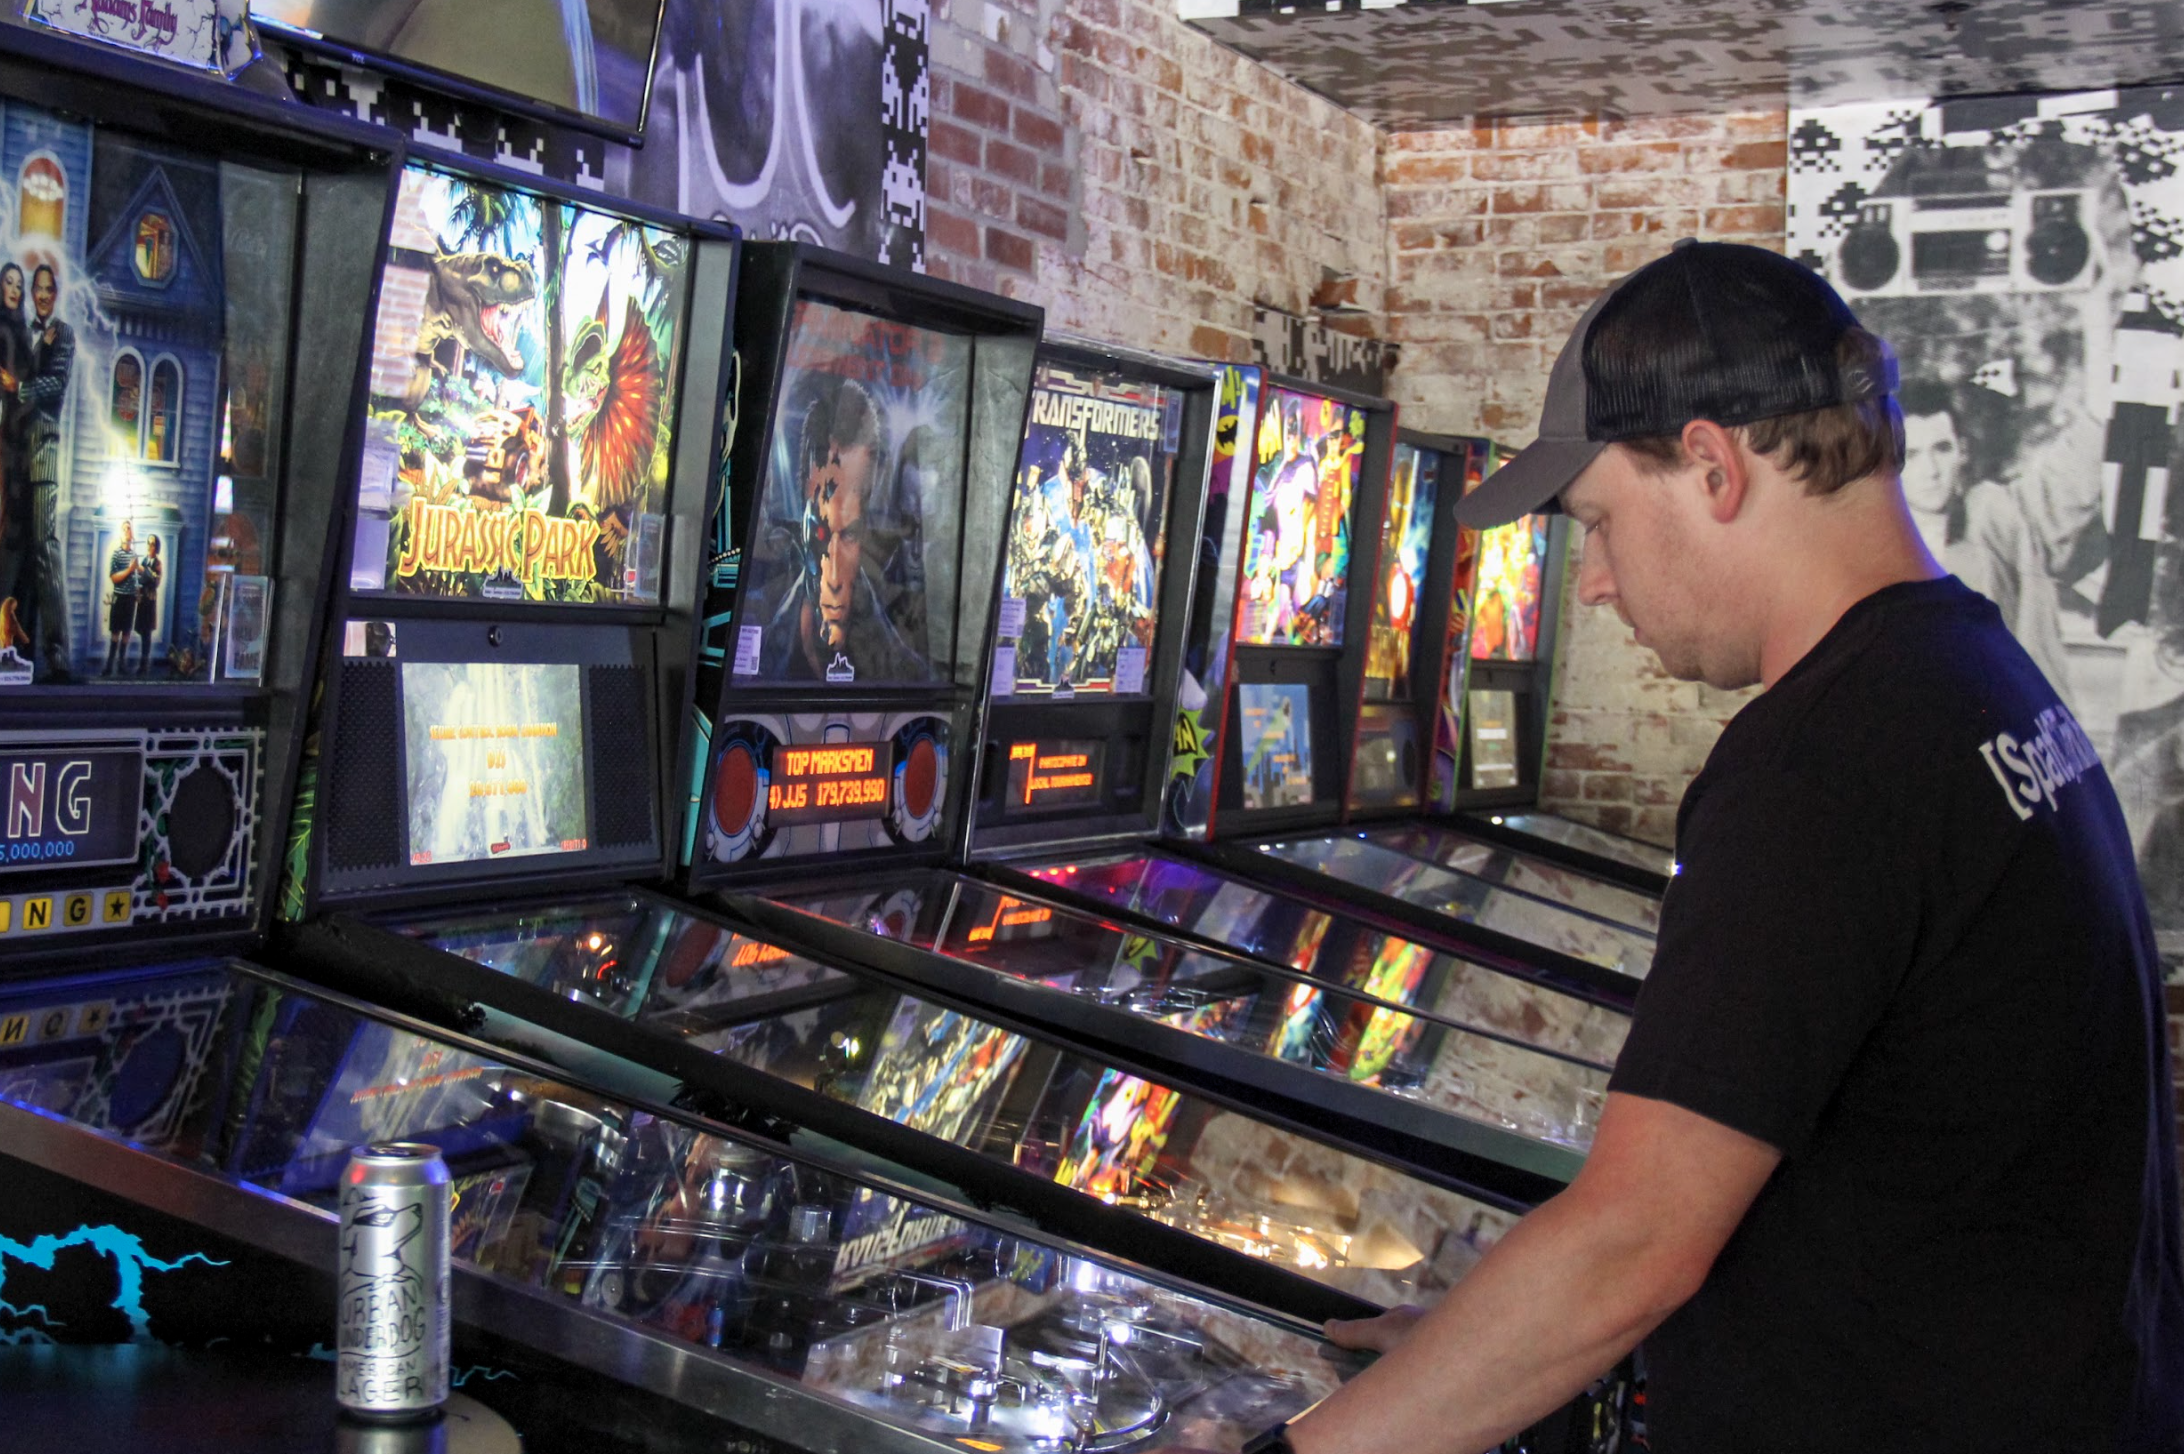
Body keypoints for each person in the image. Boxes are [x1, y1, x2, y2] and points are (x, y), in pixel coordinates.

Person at [1245, 242, 2184, 1454]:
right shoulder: (1972, 681)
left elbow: (1635, 1243)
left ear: (1709, 465)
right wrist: (1481, 1338)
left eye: (1595, 522)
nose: (1591, 586)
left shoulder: (1825, 760)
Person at [1896, 378, 2073, 695]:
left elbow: (2065, 491)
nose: (1931, 470)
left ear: (1962, 452)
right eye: (1912, 455)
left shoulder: (1991, 517)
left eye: (1942, 449)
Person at [757, 375, 927, 683]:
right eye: (820, 533)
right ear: (802, 527)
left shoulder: (906, 669)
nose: (832, 576)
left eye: (848, 535)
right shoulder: (758, 638)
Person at [18, 261, 74, 678]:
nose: (40, 295)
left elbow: (54, 385)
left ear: (55, 293)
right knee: (18, 555)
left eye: (46, 289)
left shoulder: (64, 335)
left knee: (45, 549)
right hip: (15, 454)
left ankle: (56, 656)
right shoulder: (27, 334)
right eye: (35, 288)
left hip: (44, 453)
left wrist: (18, 387)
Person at [102, 519, 139, 676]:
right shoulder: (117, 554)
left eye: (129, 529)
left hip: (130, 598)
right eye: (124, 529)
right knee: (115, 630)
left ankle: (121, 664)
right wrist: (129, 570)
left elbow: (137, 577)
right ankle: (109, 665)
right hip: (119, 597)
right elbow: (114, 577)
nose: (127, 532)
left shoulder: (134, 555)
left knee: (126, 631)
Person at [130, 533, 161, 675]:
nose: (150, 546)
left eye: (153, 543)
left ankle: (144, 664)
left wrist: (144, 571)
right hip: (142, 600)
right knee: (142, 630)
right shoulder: (144, 561)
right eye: (148, 543)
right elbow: (139, 578)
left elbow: (156, 581)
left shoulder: (157, 563)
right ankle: (142, 663)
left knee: (147, 632)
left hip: (150, 600)